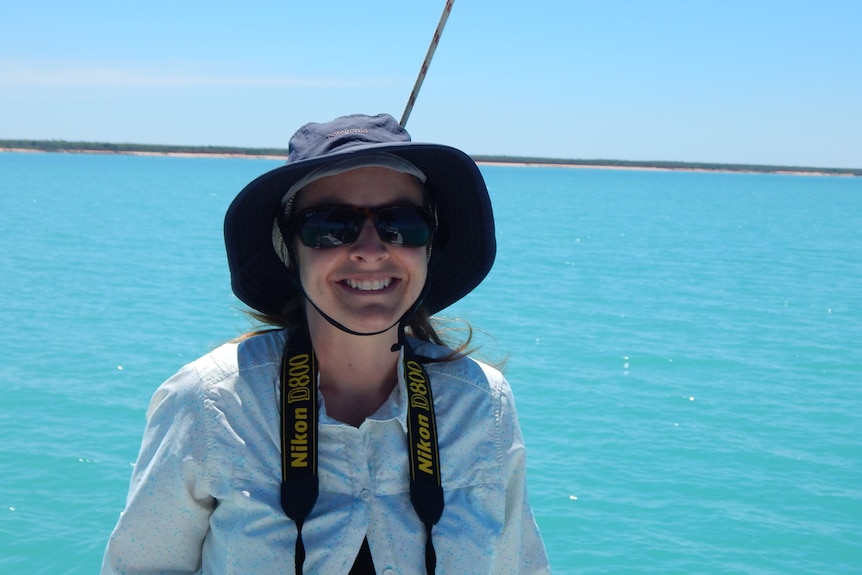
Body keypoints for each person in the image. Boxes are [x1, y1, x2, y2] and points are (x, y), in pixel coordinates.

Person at [101, 113, 551, 574]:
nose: (372, 249)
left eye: (402, 223)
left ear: (429, 245)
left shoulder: (482, 405)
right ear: (288, 248)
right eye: (331, 226)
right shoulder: (209, 403)